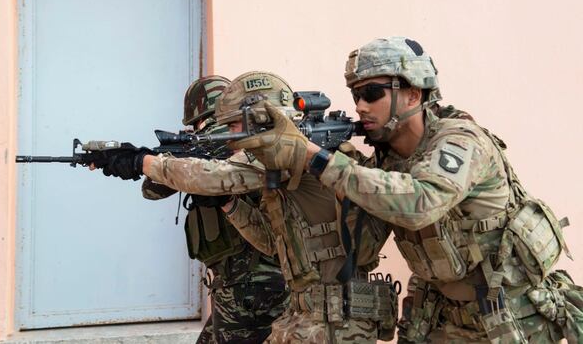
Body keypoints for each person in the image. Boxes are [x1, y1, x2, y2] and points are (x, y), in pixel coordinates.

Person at [231, 38, 583, 343]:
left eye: (372, 93)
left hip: (511, 319)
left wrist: (317, 159)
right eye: (356, 94)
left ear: (414, 93)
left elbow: (420, 202)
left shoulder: (461, 140)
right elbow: (360, 247)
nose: (360, 106)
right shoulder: (386, 162)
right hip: (442, 317)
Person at [98, 71, 400, 343]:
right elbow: (271, 241)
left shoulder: (293, 155)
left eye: (231, 124)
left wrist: (143, 162)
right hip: (306, 312)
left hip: (330, 317)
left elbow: (215, 177)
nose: (226, 134)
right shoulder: (282, 163)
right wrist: (229, 203)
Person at [107, 76, 290, 344]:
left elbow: (152, 190)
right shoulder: (239, 143)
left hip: (249, 284)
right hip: (246, 282)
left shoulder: (236, 145)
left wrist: (150, 162)